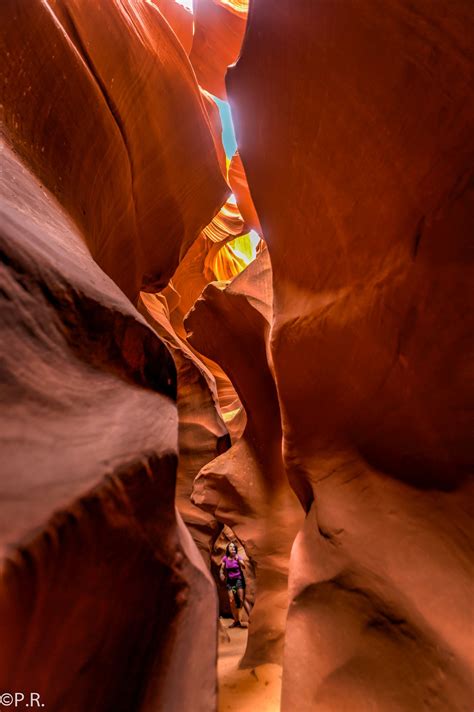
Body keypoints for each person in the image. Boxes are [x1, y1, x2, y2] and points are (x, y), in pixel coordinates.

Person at [219, 541, 251, 628]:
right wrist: (221, 574)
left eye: (233, 547)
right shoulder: (225, 558)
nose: (232, 548)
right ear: (228, 549)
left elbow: (244, 566)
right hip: (230, 582)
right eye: (231, 547)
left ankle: (240, 620)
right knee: (231, 600)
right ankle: (236, 620)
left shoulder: (238, 557)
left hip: (238, 581)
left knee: (240, 600)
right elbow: (221, 569)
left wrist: (239, 560)